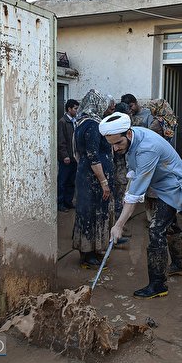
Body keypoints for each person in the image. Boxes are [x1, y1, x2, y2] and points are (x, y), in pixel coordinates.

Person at [100, 112, 182, 299]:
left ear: (128, 134)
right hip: (159, 183)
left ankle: (158, 285)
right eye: (111, 144)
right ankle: (180, 265)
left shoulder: (147, 148)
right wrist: (129, 192)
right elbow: (134, 174)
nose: (115, 149)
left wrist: (119, 225)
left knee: (156, 230)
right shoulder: (132, 137)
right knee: (169, 224)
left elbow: (135, 195)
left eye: (118, 143)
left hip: (173, 187)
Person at [72, 90, 115, 269]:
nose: (108, 108)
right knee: (92, 213)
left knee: (90, 212)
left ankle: (93, 251)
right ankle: (88, 255)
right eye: (105, 105)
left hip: (87, 175)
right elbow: (93, 156)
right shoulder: (92, 126)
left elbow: (78, 154)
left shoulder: (82, 122)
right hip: (94, 180)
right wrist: (103, 182)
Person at [57, 98, 79, 212]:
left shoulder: (75, 121)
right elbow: (61, 140)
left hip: (74, 156)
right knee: (62, 181)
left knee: (71, 181)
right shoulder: (63, 122)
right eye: (75, 108)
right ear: (69, 109)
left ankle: (68, 201)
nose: (76, 110)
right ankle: (60, 203)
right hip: (66, 157)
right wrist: (64, 155)